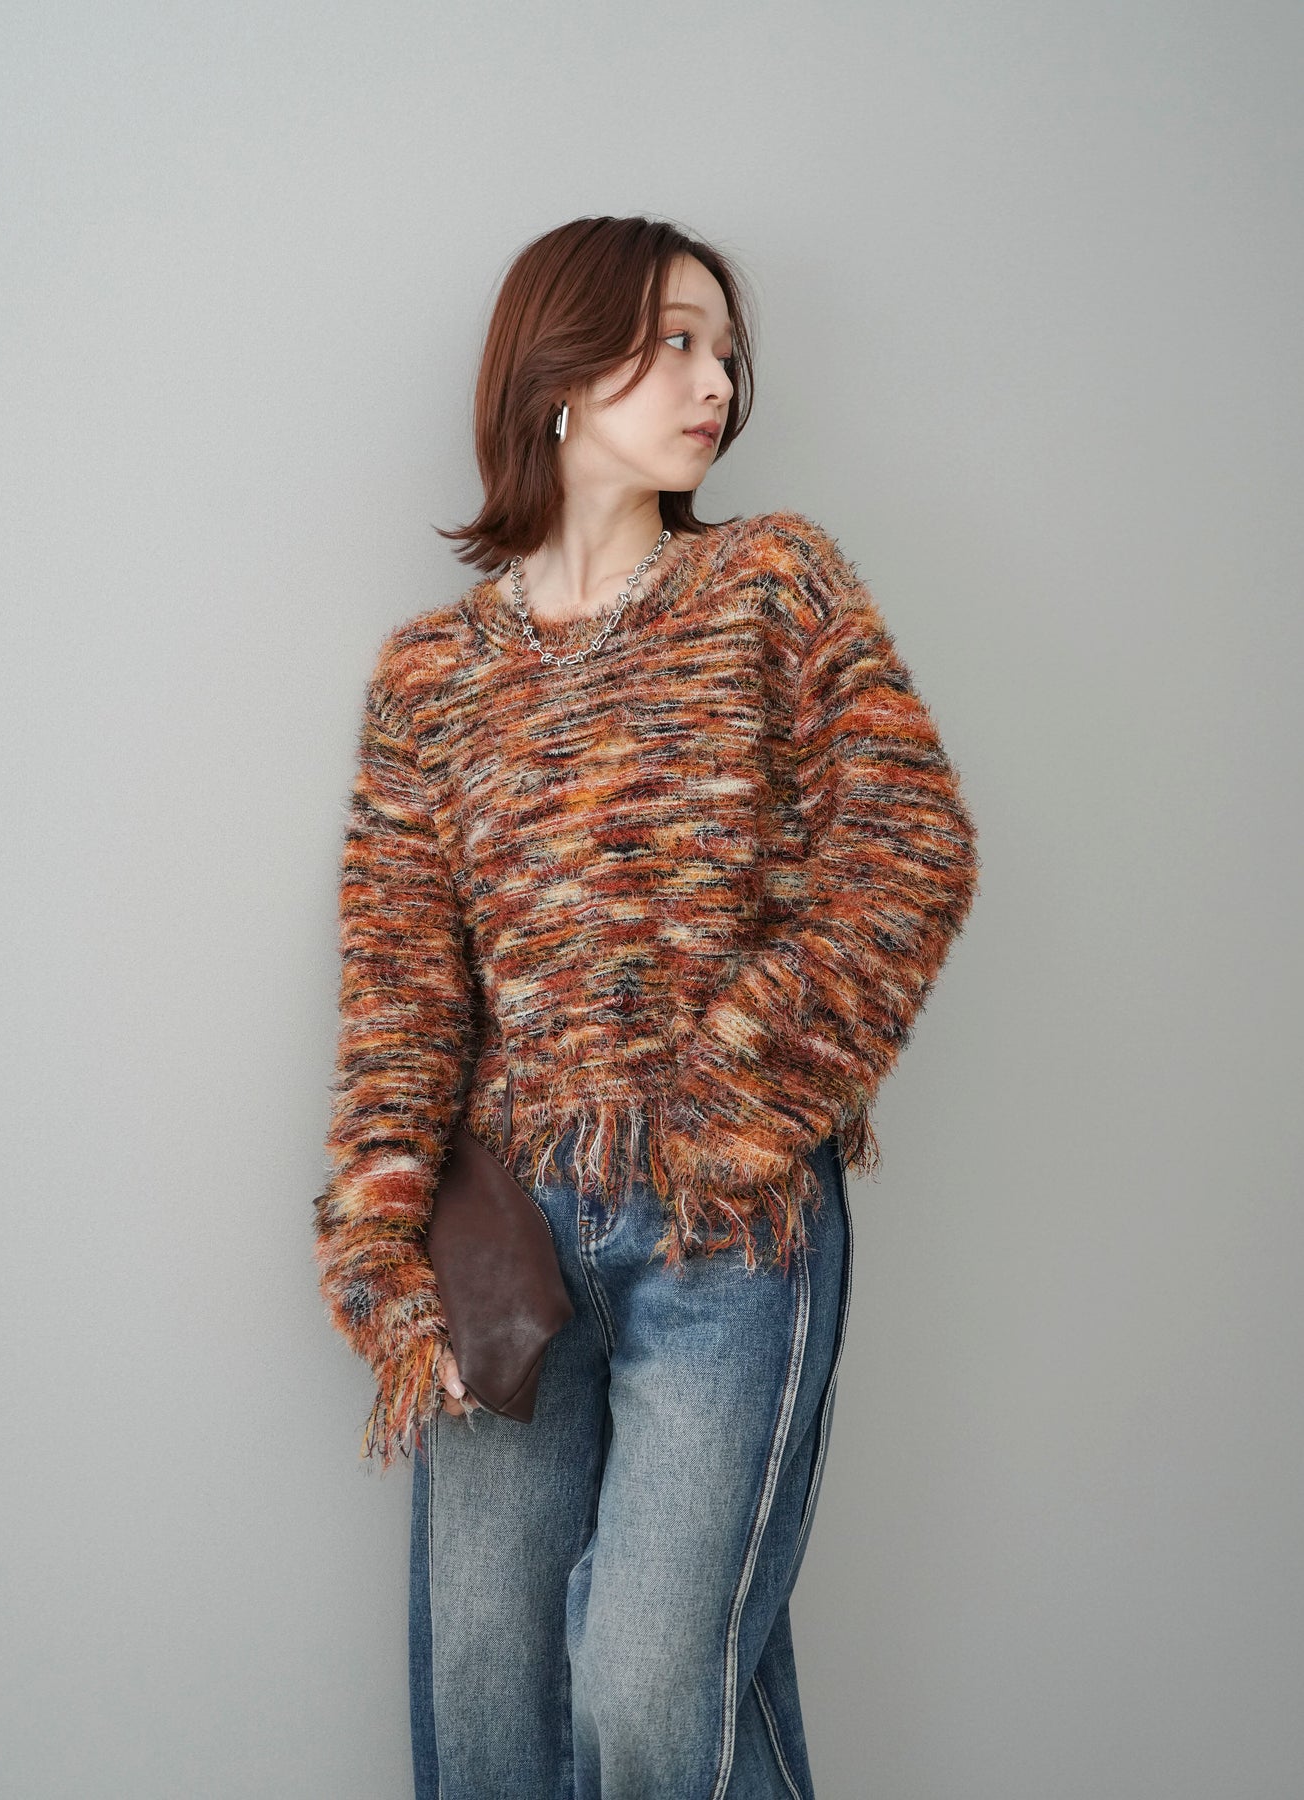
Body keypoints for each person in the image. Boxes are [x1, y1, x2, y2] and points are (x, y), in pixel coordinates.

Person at [313, 214, 980, 1799]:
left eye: (724, 350)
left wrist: (721, 1107)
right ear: (553, 371)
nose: (716, 382)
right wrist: (379, 1247)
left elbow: (907, 846)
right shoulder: (428, 677)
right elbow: (400, 985)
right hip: (505, 1238)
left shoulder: (768, 580)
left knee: (644, 1685)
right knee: (491, 1709)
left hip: (725, 1233)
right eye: (673, 340)